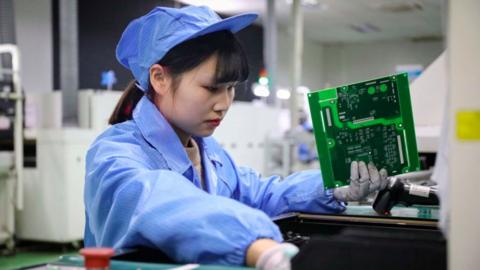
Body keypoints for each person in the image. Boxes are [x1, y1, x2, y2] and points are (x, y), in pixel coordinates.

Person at [83, 5, 388, 269]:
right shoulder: (115, 153)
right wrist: (255, 244)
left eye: (230, 88)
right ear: (159, 78)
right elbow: (158, 201)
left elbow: (261, 196)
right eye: (211, 88)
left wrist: (333, 185)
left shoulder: (209, 153)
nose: (224, 103)